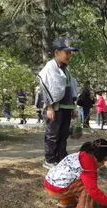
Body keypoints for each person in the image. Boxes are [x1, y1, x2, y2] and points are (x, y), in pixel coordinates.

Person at [44, 138, 107, 208]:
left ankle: (66, 201)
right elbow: (93, 190)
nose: (104, 163)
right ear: (98, 157)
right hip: (58, 191)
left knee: (75, 179)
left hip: (49, 186)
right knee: (88, 188)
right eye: (104, 160)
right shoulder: (89, 166)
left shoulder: (79, 155)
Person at [37, 38, 78, 169]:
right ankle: (49, 159)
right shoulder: (50, 68)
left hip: (66, 106)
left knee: (64, 133)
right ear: (57, 52)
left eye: (70, 53)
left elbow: (71, 87)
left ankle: (61, 156)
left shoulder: (65, 70)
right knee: (53, 134)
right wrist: (49, 107)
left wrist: (73, 107)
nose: (69, 56)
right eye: (66, 52)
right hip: (55, 107)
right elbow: (47, 87)